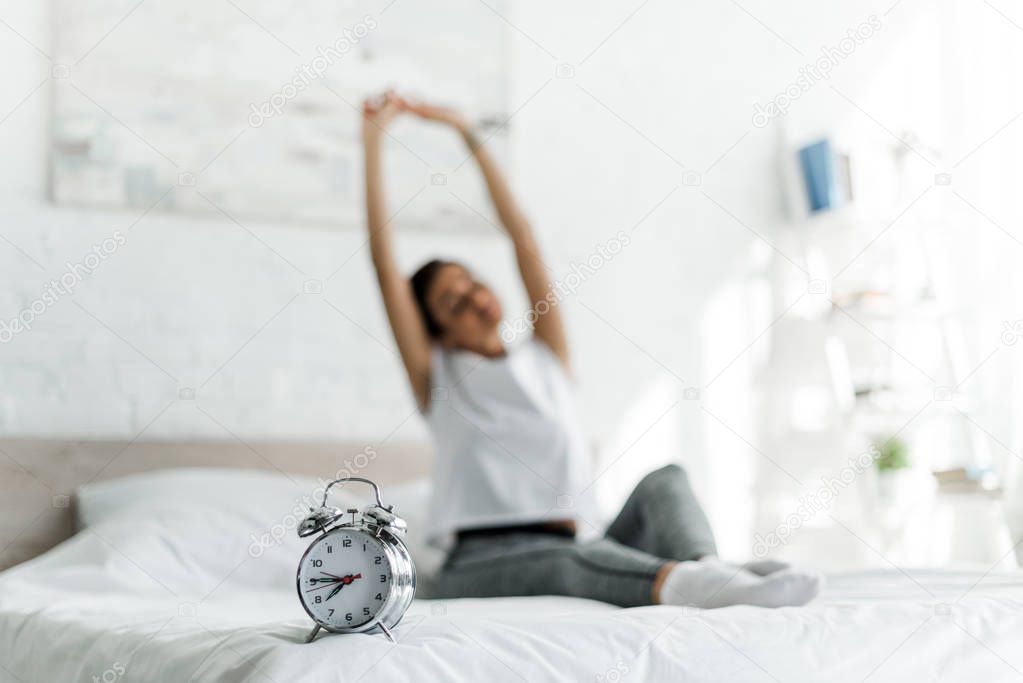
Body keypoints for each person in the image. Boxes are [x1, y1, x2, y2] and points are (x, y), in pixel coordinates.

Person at [361, 91, 820, 608]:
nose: (473, 297)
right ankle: (704, 588)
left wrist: (466, 131)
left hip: (580, 539)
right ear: (437, 333)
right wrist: (374, 139)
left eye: (471, 283)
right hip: (483, 562)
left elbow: (524, 240)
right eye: (452, 301)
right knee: (570, 564)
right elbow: (384, 267)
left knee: (666, 481)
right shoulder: (440, 377)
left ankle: (707, 570)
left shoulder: (544, 357)